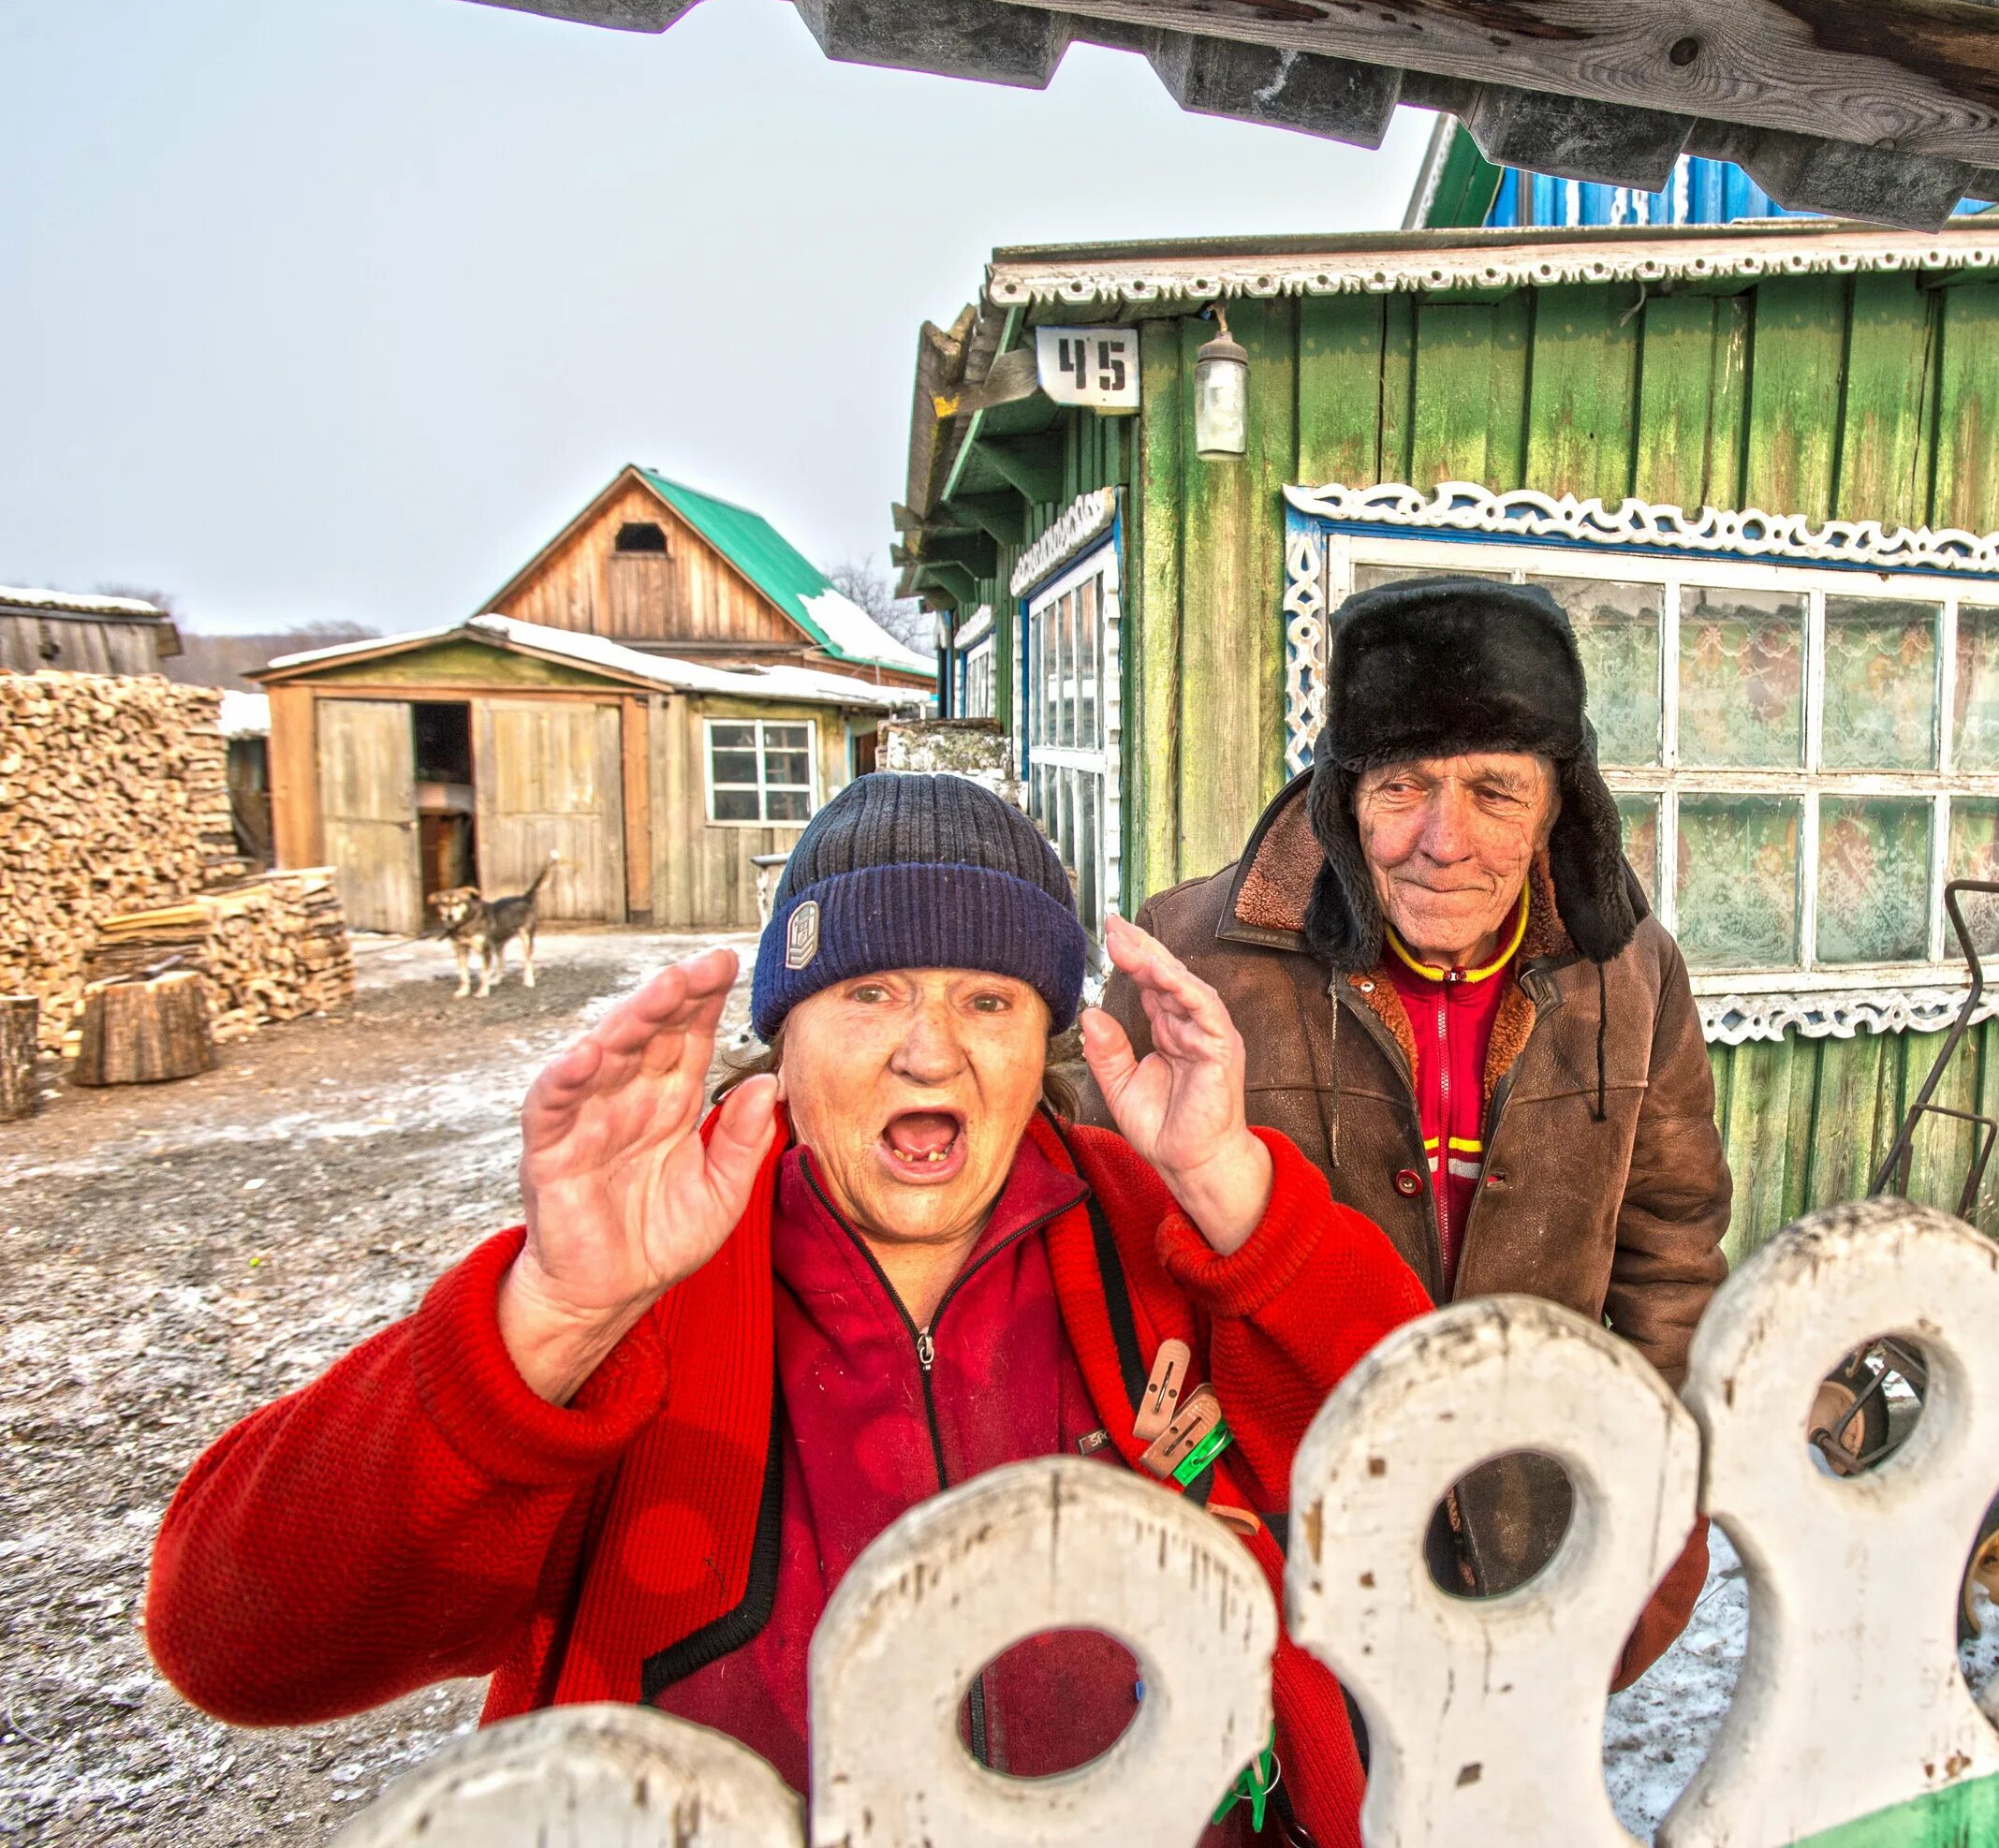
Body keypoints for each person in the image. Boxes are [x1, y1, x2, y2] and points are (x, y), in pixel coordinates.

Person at [146, 772, 1430, 1848]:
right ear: (783, 1035)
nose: (929, 1049)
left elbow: (1437, 1494)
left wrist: (1231, 1191)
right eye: (868, 993)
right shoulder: (646, 1278)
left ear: (1043, 1038)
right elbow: (233, 1640)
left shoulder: (1154, 1237)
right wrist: (549, 1317)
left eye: (986, 999)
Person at [1090, 577, 1732, 1682]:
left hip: (1540, 1525)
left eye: (1496, 790)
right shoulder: (1196, 957)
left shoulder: (1630, 968)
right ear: (1346, 795)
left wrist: (1660, 1504)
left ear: (1559, 802)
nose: (1446, 840)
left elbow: (1672, 1249)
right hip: (1286, 1546)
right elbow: (1100, 1229)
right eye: (1404, 786)